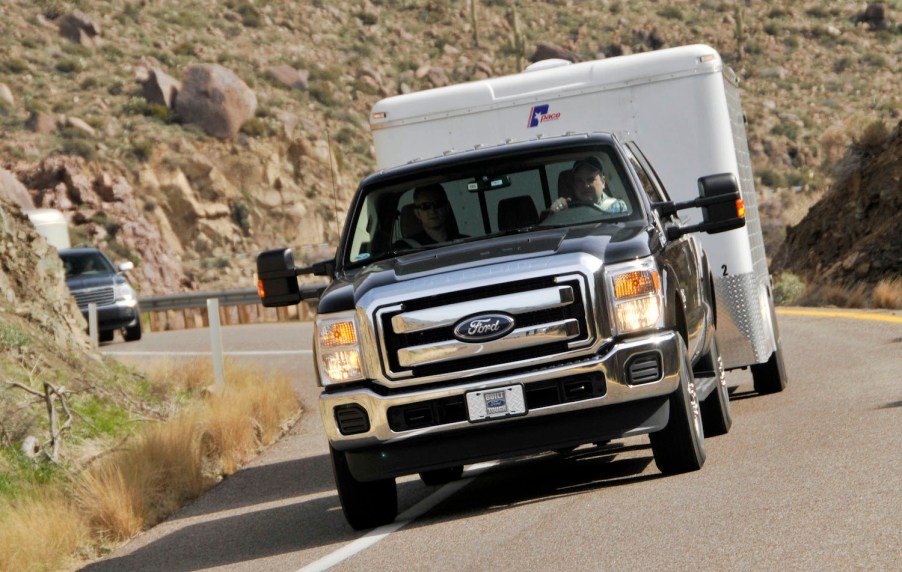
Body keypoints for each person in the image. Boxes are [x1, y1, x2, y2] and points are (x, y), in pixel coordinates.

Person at [547, 157, 628, 215]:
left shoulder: (618, 208)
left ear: (603, 182)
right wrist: (556, 211)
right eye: (579, 181)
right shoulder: (566, 210)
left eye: (590, 179)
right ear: (574, 186)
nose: (585, 185)